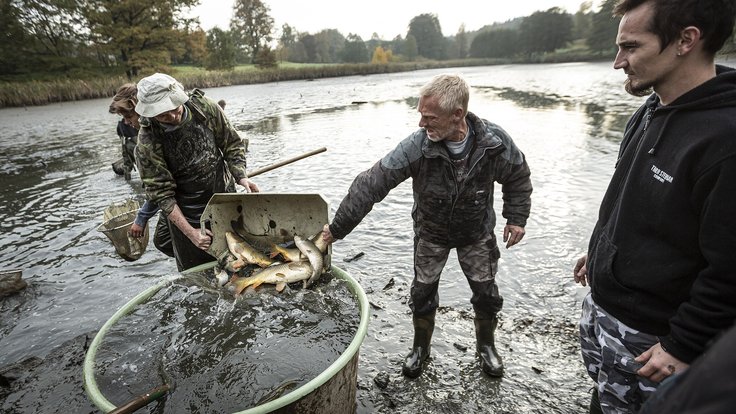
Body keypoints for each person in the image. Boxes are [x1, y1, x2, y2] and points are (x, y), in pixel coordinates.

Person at [572, 1, 736, 413]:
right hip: (608, 319)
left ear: (686, 40)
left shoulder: (726, 140)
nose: (617, 62)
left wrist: (683, 343)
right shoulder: (650, 109)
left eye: (631, 47)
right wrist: (600, 248)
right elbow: (628, 198)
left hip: (656, 345)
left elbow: (731, 267)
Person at [322, 74, 532, 378]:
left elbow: (518, 177)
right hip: (431, 235)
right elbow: (371, 184)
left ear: (457, 115)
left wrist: (516, 218)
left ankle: (486, 346)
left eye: (429, 117)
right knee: (422, 294)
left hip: (476, 234)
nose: (422, 123)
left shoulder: (494, 144)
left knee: (487, 294)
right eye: (421, 115)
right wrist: (336, 229)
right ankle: (420, 348)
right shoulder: (417, 147)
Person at [134, 73, 258, 271]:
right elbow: (161, 194)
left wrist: (241, 177)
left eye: (175, 109)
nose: (173, 117)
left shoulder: (205, 107)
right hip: (185, 210)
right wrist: (191, 233)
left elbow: (231, 143)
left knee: (239, 263)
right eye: (163, 115)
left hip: (222, 195)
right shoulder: (147, 142)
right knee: (197, 274)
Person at [108, 83, 171, 256]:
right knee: (164, 240)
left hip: (180, 199)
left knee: (163, 240)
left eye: (128, 117)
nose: (127, 122)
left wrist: (141, 217)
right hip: (169, 195)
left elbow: (159, 189)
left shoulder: (154, 135)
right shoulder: (142, 136)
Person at [109, 83, 139, 180]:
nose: (127, 122)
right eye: (124, 117)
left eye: (129, 117)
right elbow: (124, 148)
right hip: (131, 149)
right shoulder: (121, 127)